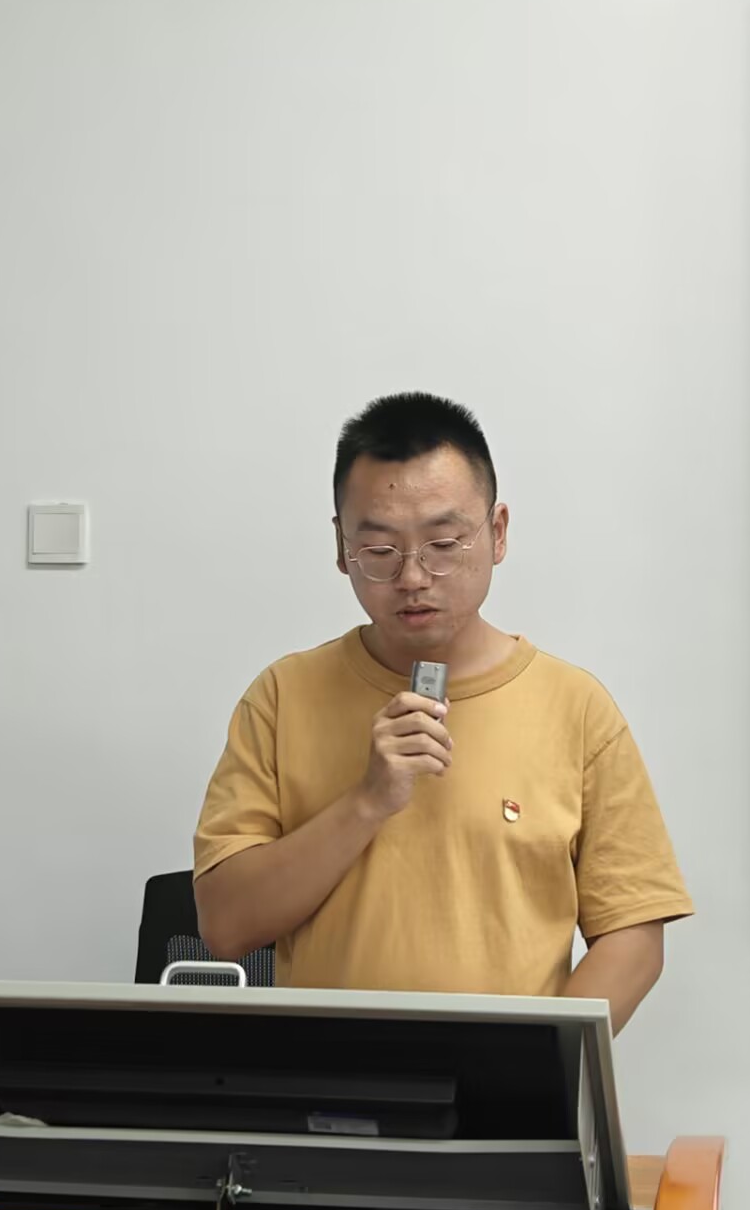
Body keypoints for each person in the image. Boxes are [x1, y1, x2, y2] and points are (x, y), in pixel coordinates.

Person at [191, 392, 691, 1032]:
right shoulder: (283, 696)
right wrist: (368, 801)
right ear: (342, 548)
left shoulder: (576, 707)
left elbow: (633, 936)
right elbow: (227, 927)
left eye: (444, 543)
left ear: (498, 533)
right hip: (328, 1081)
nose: (413, 577)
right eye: (380, 550)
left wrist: (535, 1066)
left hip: (505, 1085)